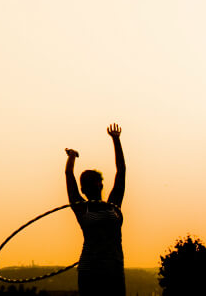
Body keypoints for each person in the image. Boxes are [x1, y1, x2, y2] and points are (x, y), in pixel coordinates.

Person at [65, 123, 126, 296]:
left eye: (94, 181)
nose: (91, 185)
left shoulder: (113, 204)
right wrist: (72, 156)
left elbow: (121, 172)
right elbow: (69, 175)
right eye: (86, 183)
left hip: (114, 269)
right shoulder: (82, 208)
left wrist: (116, 140)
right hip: (89, 270)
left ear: (101, 184)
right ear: (83, 190)